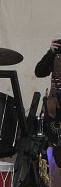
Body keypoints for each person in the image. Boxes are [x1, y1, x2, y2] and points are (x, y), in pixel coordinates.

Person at [35, 37, 61, 166]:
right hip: (55, 109)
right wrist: (51, 52)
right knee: (55, 150)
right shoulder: (56, 54)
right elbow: (39, 72)